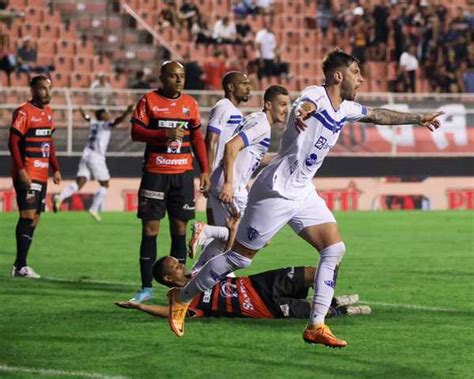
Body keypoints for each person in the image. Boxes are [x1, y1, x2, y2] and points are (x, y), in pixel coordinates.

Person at [168, 49, 443, 347]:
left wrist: (419, 118)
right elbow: (306, 103)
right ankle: (181, 297)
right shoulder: (317, 95)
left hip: (303, 191)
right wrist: (303, 111)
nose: (361, 78)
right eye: (356, 73)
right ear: (338, 75)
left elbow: (376, 115)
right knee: (239, 258)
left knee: (334, 248)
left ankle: (316, 325)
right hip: (276, 191)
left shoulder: (345, 108)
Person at [129, 61, 209, 303]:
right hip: (155, 173)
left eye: (182, 76)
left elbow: (196, 138)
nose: (179, 80)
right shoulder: (148, 101)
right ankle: (146, 287)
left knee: (180, 230)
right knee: (150, 229)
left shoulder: (190, 104)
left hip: (183, 175)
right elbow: (135, 132)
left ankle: (180, 286)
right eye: (173, 76)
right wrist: (164, 134)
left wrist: (204, 169)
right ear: (162, 78)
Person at [190, 85, 290, 271]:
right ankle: (207, 231)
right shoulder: (261, 125)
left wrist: (281, 158)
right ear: (268, 104)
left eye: (287, 105)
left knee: (228, 239)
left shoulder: (254, 119)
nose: (286, 109)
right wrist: (229, 183)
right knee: (253, 237)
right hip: (229, 185)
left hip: (231, 183)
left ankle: (195, 276)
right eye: (282, 104)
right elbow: (231, 147)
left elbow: (248, 156)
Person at [116, 256, 371, 320]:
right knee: (319, 313)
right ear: (170, 279)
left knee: (317, 272)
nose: (181, 264)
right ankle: (340, 309)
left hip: (259, 283)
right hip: (261, 306)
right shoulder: (181, 298)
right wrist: (140, 306)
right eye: (175, 266)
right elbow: (170, 313)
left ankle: (333, 298)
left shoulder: (199, 270)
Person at [8, 75, 61, 278]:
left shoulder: (48, 113)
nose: (46, 92)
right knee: (27, 215)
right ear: (32, 90)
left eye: (48, 88)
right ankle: (20, 265)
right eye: (42, 89)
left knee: (36, 218)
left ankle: (20, 265)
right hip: (28, 171)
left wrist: (55, 168)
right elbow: (12, 142)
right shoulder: (23, 112)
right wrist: (20, 170)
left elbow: (49, 142)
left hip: (41, 173)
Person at [53, 105, 133, 221]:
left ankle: (60, 197)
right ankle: (94, 209)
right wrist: (127, 112)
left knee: (80, 182)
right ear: (103, 116)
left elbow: (87, 118)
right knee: (105, 184)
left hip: (86, 155)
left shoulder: (94, 123)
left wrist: (81, 112)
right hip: (96, 157)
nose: (109, 115)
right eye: (107, 113)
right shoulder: (105, 125)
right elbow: (117, 121)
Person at [203, 71, 251, 225]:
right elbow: (211, 139)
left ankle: (204, 234)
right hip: (221, 178)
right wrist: (207, 173)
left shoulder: (235, 111)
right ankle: (203, 233)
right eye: (244, 84)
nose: (248, 88)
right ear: (231, 87)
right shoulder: (223, 107)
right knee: (237, 231)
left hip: (227, 177)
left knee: (219, 233)